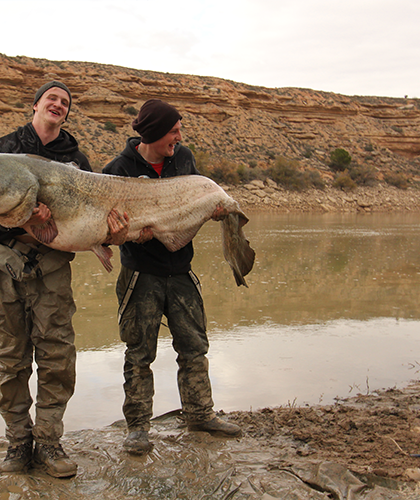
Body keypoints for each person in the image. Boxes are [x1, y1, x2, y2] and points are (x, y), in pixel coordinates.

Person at [0, 81, 128, 477]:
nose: (58, 105)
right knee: (10, 359)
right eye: (52, 99)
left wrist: (111, 231)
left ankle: (48, 442)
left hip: (53, 269)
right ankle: (16, 443)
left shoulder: (75, 159)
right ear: (35, 105)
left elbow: (96, 214)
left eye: (65, 103)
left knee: (57, 357)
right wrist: (25, 220)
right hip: (4, 263)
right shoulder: (3, 150)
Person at [102, 99, 243, 456]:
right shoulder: (117, 169)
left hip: (181, 270)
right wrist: (124, 233)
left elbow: (191, 203)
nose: (179, 138)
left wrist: (209, 211)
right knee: (139, 353)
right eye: (173, 131)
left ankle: (200, 414)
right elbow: (106, 229)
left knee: (194, 347)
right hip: (140, 274)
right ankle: (137, 428)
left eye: (179, 131)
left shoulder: (184, 159)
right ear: (153, 133)